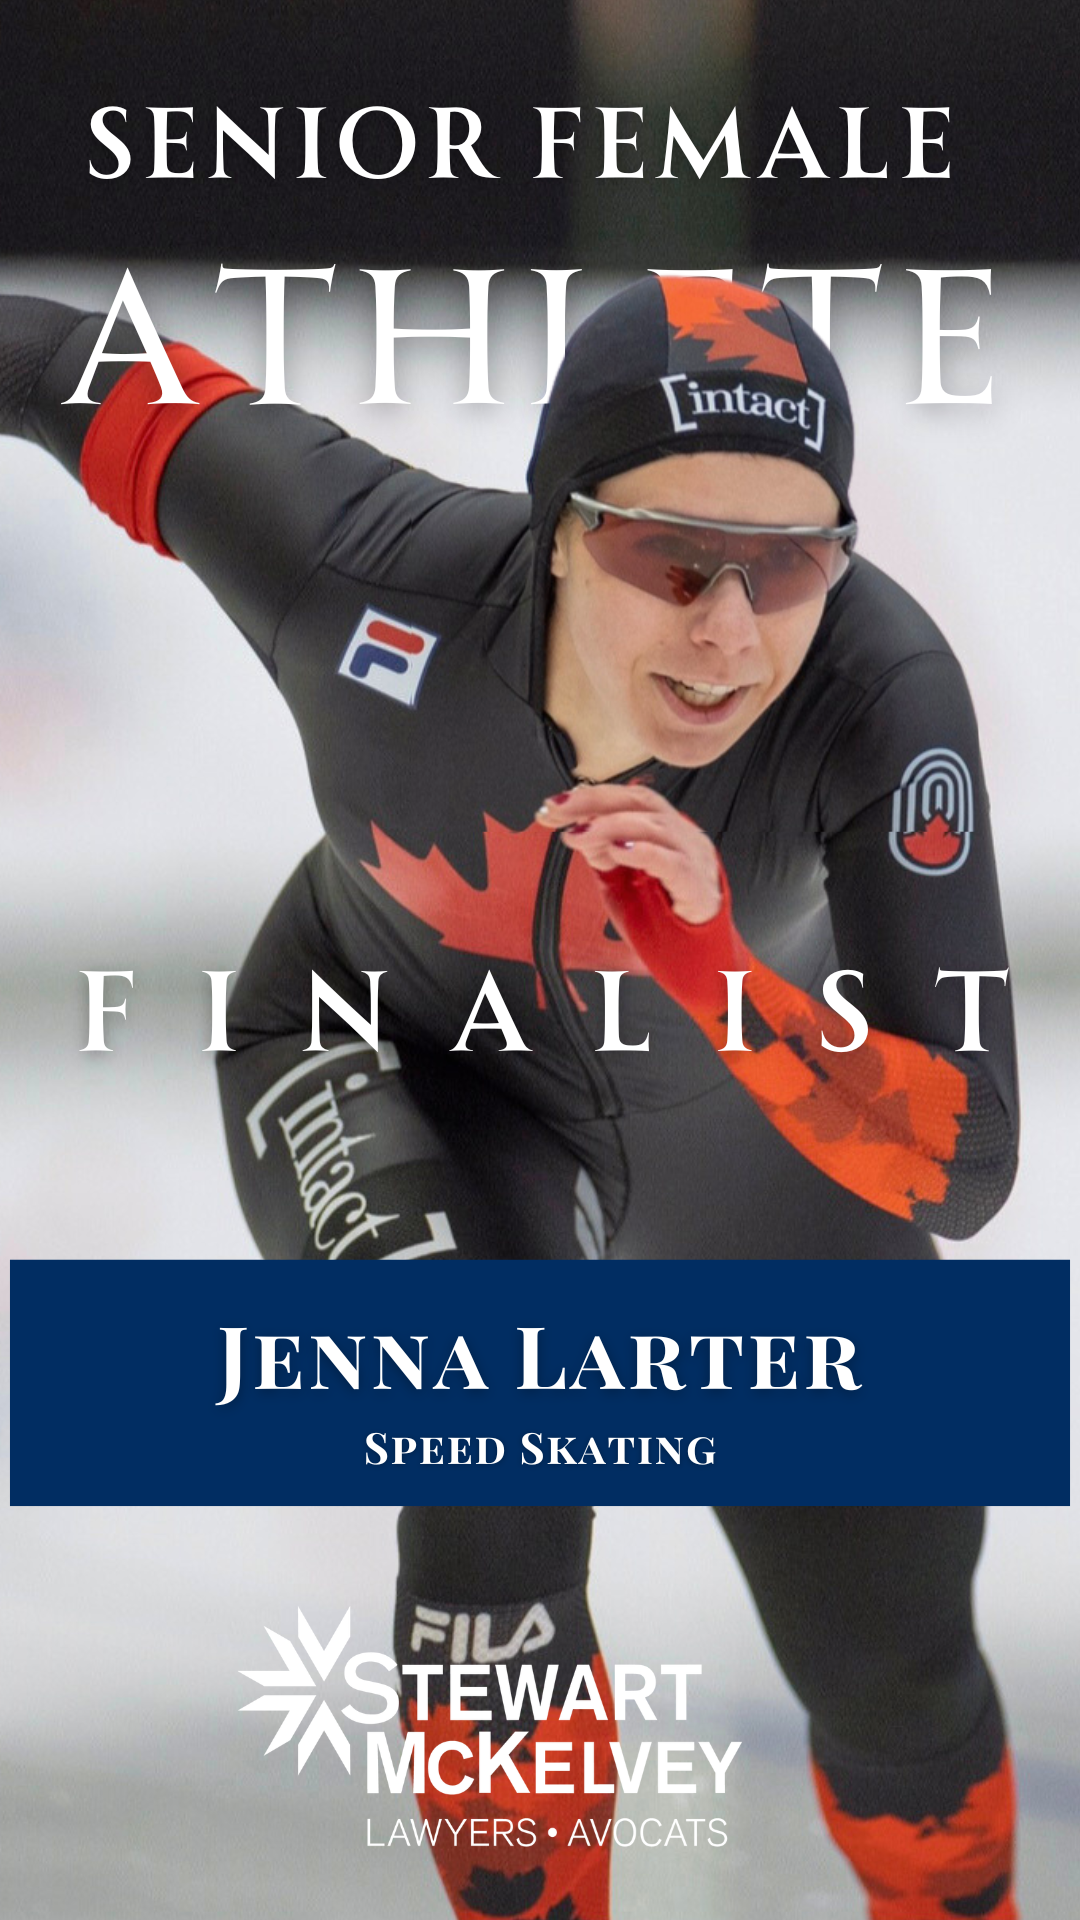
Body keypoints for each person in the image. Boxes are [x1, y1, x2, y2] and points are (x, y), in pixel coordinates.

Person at [1, 275, 1019, 1916]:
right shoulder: (353, 557)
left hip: (752, 1151)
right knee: (488, 1425)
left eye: (793, 565)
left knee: (898, 1681)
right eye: (670, 557)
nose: (728, 630)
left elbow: (966, 1162)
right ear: (557, 523)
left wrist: (715, 974)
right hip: (380, 1052)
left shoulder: (880, 691)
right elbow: (59, 364)